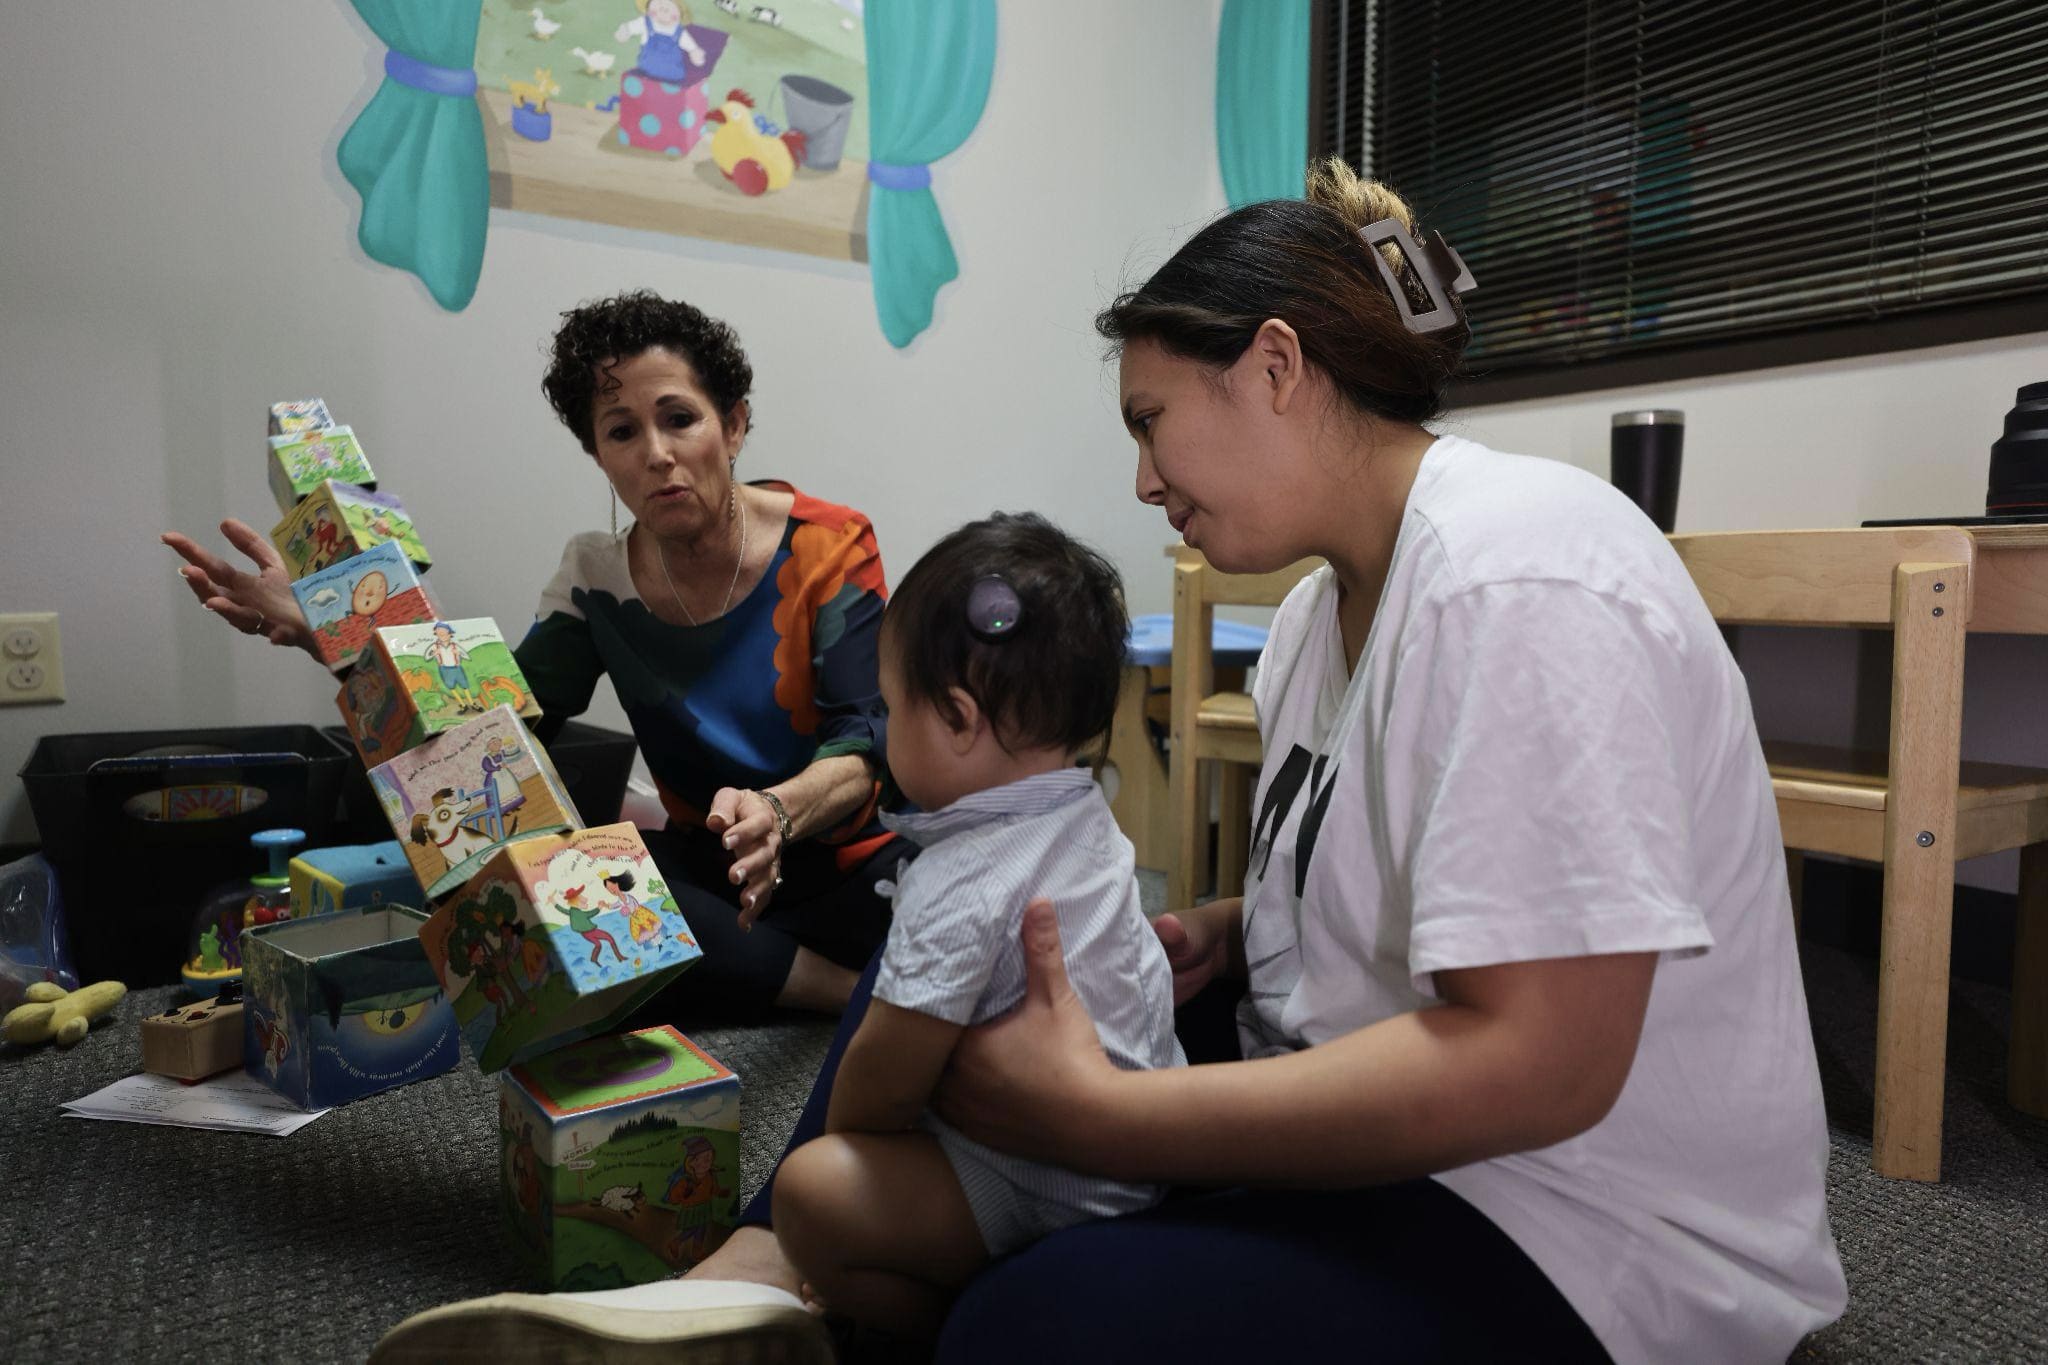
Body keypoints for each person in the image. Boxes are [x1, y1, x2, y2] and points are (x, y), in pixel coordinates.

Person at [369, 161, 1849, 1363]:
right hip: (1356, 1099)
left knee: (1033, 1331)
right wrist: (1225, 934)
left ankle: (841, 1271)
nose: (1144, 477)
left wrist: (1106, 1116)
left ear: (1275, 368)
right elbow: (1387, 878)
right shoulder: (1323, 619)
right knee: (959, 948)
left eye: (1152, 421)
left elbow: (1547, 1058)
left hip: (1573, 1229)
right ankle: (745, 1281)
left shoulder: (1523, 573)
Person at [162, 291, 902, 1016]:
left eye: (680, 419)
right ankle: (841, 994)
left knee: (944, 886)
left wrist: (775, 813)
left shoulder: (829, 544)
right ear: (598, 456)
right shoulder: (595, 578)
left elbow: (864, 746)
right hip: (706, 881)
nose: (657, 454)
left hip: (842, 865)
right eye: (621, 432)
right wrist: (339, 632)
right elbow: (485, 736)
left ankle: (774, 978)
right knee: (569, 886)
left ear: (733, 425)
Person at [772, 513, 1184, 1341]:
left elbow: (882, 1081)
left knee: (807, 1190)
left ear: (959, 720)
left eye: (891, 710)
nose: (884, 732)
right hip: (1145, 1153)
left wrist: (860, 1177)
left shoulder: (964, 880)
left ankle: (937, 1321)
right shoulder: (1077, 803)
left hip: (1048, 1180)